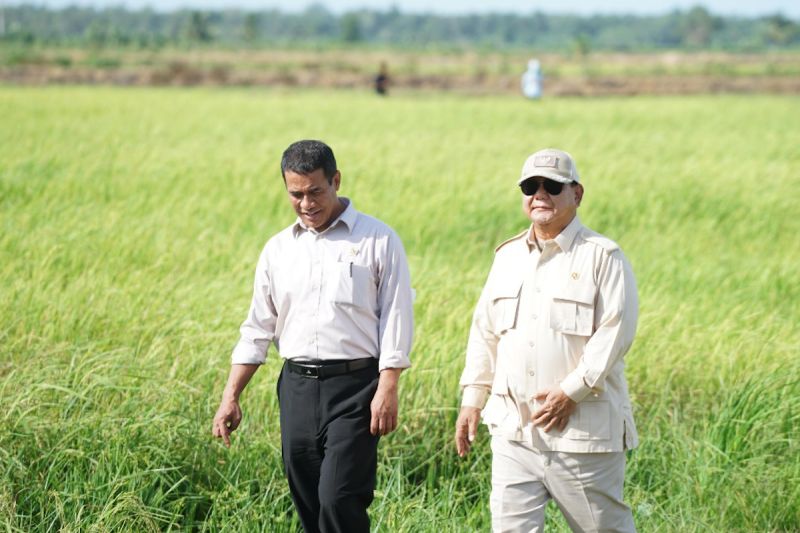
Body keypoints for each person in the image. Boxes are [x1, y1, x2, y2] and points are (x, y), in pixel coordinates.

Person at [212, 139, 414, 533]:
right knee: (308, 502)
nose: (307, 204)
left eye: (316, 192)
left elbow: (396, 317)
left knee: (340, 499)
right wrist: (231, 396)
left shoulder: (377, 240)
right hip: (297, 389)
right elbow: (257, 327)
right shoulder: (277, 250)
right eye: (296, 194)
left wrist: (388, 386)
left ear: (336, 180)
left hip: (356, 389)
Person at [454, 148, 639, 532]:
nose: (540, 194)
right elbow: (485, 332)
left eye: (552, 186)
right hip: (513, 434)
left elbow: (615, 333)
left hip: (582, 437)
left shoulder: (603, 257)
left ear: (577, 194)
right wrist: (473, 399)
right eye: (530, 186)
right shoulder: (506, 257)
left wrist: (570, 392)